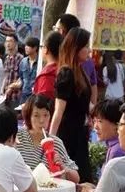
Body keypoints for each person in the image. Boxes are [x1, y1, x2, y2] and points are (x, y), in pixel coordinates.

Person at [16, 95, 79, 192]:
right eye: (36, 115)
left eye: (45, 115)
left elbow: (76, 178)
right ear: (28, 117)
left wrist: (63, 167)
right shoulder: (18, 138)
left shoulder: (55, 142)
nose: (42, 120)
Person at [49, 27, 93, 183]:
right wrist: (51, 142)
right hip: (67, 136)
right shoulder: (66, 73)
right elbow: (58, 111)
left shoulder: (80, 71)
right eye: (86, 46)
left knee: (82, 179)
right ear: (75, 48)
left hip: (80, 134)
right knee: (72, 180)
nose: (89, 50)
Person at [54, 13, 98, 105]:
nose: (89, 51)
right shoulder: (85, 61)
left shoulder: (80, 62)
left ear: (62, 31)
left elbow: (93, 86)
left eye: (56, 29)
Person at [33, 31, 62, 100]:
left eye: (42, 47)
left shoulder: (47, 75)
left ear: (46, 49)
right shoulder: (65, 69)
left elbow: (43, 102)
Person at [0, 34, 24, 107]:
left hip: (16, 95)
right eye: (6, 41)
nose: (8, 43)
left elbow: (22, 78)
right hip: (5, 95)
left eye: (10, 41)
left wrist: (11, 88)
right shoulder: (7, 58)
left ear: (16, 43)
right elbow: (6, 75)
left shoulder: (21, 58)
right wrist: (2, 89)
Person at [18, 37, 40, 104]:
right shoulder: (23, 61)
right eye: (25, 45)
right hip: (24, 95)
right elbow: (21, 78)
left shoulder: (40, 62)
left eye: (28, 46)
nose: (26, 48)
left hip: (35, 96)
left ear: (35, 48)